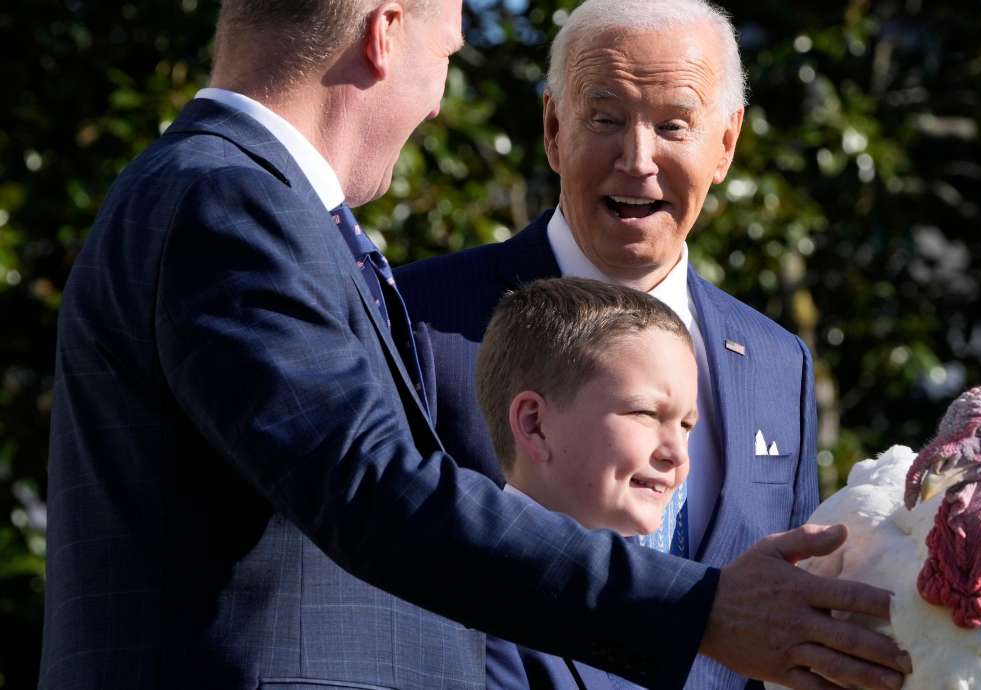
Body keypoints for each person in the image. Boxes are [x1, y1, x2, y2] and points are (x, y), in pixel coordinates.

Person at [40, 0, 911, 689]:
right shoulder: (227, 201)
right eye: (449, 53)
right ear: (386, 34)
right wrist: (701, 607)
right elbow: (373, 488)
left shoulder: (227, 195)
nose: (437, 96)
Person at [394, 1, 878, 687]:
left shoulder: (776, 364)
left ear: (726, 144)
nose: (637, 159)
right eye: (606, 119)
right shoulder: (417, 318)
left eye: (674, 125)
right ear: (554, 129)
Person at [477, 277, 698, 689]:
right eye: (646, 413)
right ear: (535, 424)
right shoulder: (479, 615)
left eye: (686, 425)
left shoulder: (655, 608)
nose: (678, 454)